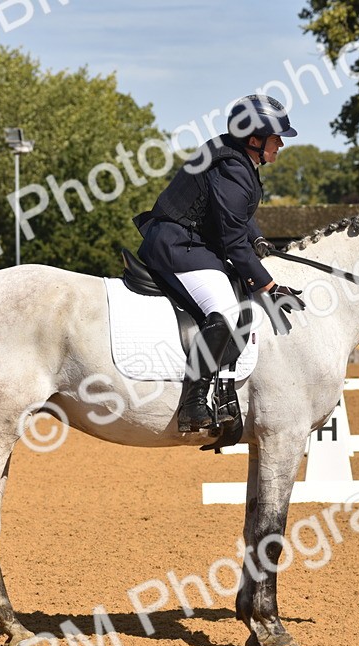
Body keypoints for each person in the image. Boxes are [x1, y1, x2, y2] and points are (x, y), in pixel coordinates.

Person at [135, 94, 307, 432]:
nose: (282, 145)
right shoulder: (232, 167)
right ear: (254, 139)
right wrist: (269, 286)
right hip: (177, 245)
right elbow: (231, 241)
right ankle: (193, 401)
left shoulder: (235, 156)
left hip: (190, 241)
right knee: (226, 310)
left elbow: (236, 215)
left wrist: (257, 238)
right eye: (276, 138)